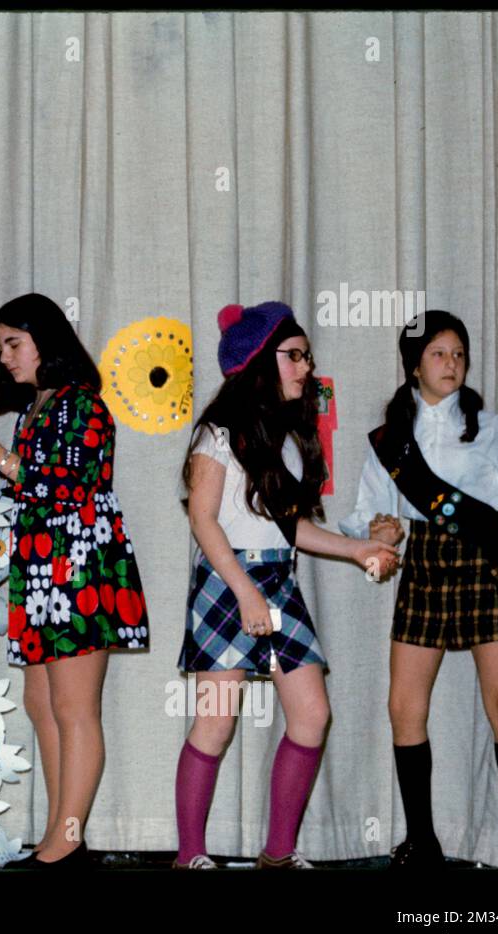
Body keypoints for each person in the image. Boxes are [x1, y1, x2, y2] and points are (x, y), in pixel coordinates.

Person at [174, 301, 397, 869]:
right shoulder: (218, 434)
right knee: (216, 721)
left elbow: (291, 528)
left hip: (278, 580)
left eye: (307, 357)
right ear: (257, 362)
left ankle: (278, 854)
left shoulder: (291, 440)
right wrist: (244, 591)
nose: (305, 367)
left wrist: (357, 548)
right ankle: (190, 856)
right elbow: (204, 519)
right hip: (228, 584)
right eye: (293, 356)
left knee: (312, 713)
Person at [338, 311, 498, 869]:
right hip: (426, 564)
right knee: (403, 706)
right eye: (439, 353)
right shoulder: (390, 440)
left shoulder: (491, 428)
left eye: (459, 353)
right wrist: (378, 532)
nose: (452, 363)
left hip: (486, 565)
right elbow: (361, 516)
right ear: (414, 365)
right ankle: (422, 842)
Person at [0, 292, 148, 867]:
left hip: (78, 569)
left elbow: (75, 485)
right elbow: (35, 490)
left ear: (47, 339)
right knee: (43, 702)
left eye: (14, 343)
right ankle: (62, 837)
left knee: (74, 708)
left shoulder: (83, 404)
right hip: (40, 570)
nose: (5, 358)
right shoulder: (34, 409)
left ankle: (65, 839)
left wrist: (3, 464)